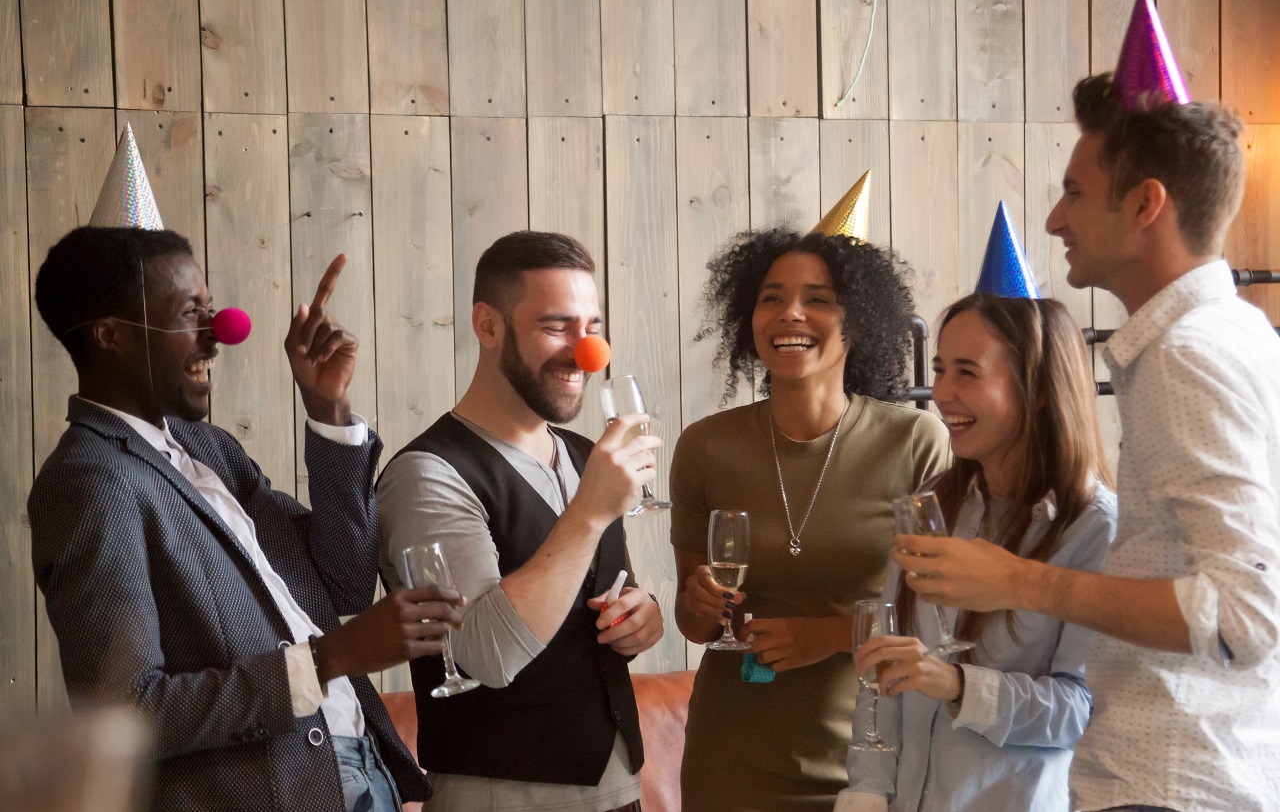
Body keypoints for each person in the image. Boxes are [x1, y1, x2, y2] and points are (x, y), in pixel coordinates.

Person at [894, 73, 1280, 811]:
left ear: (1145, 204)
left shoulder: (1188, 354)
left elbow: (1245, 615)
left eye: (1073, 190)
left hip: (1171, 776)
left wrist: (1017, 581)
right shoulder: (1238, 334)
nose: (1053, 218)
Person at [28, 226, 463, 812]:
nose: (219, 335)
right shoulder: (89, 479)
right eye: (190, 313)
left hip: (355, 774)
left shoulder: (208, 449)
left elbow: (344, 580)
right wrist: (329, 659)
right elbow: (126, 715)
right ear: (112, 336)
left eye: (212, 309)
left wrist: (327, 409)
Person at [378, 231, 665, 812]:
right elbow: (485, 655)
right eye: (557, 326)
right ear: (488, 326)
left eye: (593, 328)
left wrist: (641, 618)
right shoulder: (426, 474)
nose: (587, 352)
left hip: (618, 788)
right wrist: (589, 513)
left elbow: (596, 595)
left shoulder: (588, 455)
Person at [670, 228, 951, 811]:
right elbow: (696, 625)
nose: (789, 313)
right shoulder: (704, 447)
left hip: (873, 754)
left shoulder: (916, 441)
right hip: (731, 761)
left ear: (860, 321)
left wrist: (824, 636)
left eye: (817, 299)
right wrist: (696, 604)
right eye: (771, 297)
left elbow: (941, 620)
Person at [839, 294, 1117, 812]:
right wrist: (866, 791)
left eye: (967, 373)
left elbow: (1081, 710)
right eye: (940, 369)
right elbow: (883, 670)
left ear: (1036, 388)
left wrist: (958, 685)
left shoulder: (1095, 528)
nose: (942, 393)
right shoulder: (933, 503)